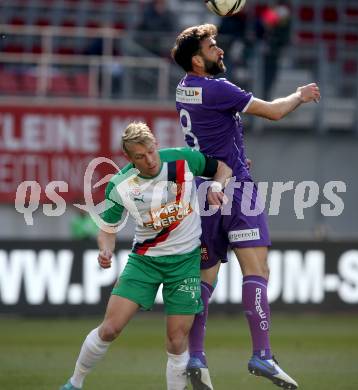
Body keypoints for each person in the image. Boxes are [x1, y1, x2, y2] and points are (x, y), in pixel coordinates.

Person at [171, 24, 320, 390]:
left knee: (205, 279)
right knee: (257, 270)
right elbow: (272, 112)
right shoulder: (218, 88)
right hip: (236, 190)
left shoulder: (183, 89)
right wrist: (299, 95)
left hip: (202, 191)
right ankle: (263, 355)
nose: (219, 51)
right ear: (197, 60)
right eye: (212, 47)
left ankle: (196, 356)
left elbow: (211, 136)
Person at [59, 121, 232, 390]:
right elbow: (107, 228)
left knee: (176, 341)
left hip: (185, 262)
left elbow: (222, 168)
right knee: (110, 329)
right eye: (140, 156)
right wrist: (105, 248)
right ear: (128, 158)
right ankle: (75, 382)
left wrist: (217, 187)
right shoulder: (120, 185)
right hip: (144, 261)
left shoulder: (183, 160)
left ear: (156, 145)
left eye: (151, 151)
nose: (149, 160)